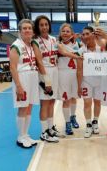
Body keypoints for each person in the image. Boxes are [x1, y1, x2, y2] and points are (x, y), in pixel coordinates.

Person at [33, 16, 82, 140]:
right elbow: (39, 61)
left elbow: (65, 52)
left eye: (46, 24)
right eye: (41, 25)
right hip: (45, 72)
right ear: (37, 27)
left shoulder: (53, 40)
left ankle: (50, 128)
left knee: (52, 102)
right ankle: (44, 132)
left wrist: (77, 53)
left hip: (55, 71)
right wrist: (46, 80)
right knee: (45, 103)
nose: (44, 27)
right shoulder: (36, 41)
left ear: (49, 26)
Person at [9, 19, 40, 148]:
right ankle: (20, 137)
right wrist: (19, 86)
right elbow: (12, 67)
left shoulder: (31, 45)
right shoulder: (16, 45)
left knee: (29, 108)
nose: (27, 30)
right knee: (23, 108)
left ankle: (26, 134)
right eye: (24, 28)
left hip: (32, 78)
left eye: (29, 28)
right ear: (20, 31)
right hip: (22, 79)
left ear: (33, 31)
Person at [76, 26, 102, 138]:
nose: (85, 36)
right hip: (87, 81)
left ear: (93, 34)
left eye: (87, 34)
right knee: (87, 103)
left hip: (100, 80)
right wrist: (79, 86)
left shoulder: (101, 48)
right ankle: (88, 124)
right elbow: (79, 69)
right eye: (83, 34)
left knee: (97, 102)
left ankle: (95, 122)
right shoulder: (80, 51)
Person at [58, 23, 81, 136]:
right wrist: (77, 56)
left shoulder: (77, 44)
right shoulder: (58, 44)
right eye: (63, 31)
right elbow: (65, 53)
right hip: (63, 74)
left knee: (73, 98)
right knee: (66, 99)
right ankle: (67, 123)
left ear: (71, 33)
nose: (65, 33)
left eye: (68, 31)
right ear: (60, 34)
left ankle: (73, 117)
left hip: (74, 74)